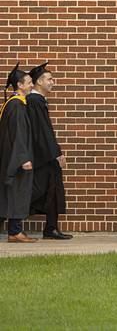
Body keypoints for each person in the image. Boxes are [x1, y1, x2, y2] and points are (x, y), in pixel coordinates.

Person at [26, 62, 72, 240]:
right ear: (38, 82)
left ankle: (51, 228)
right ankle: (13, 221)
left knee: (51, 190)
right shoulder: (34, 101)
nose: (53, 82)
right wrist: (56, 152)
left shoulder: (38, 101)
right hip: (41, 156)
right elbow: (42, 131)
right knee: (36, 190)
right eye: (49, 79)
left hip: (45, 155)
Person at [0, 63, 37, 243]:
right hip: (16, 158)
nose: (32, 85)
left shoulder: (15, 104)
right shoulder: (16, 106)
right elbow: (18, 133)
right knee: (16, 193)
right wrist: (23, 158)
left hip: (11, 156)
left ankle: (14, 231)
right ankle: (14, 231)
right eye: (29, 82)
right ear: (20, 85)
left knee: (11, 194)